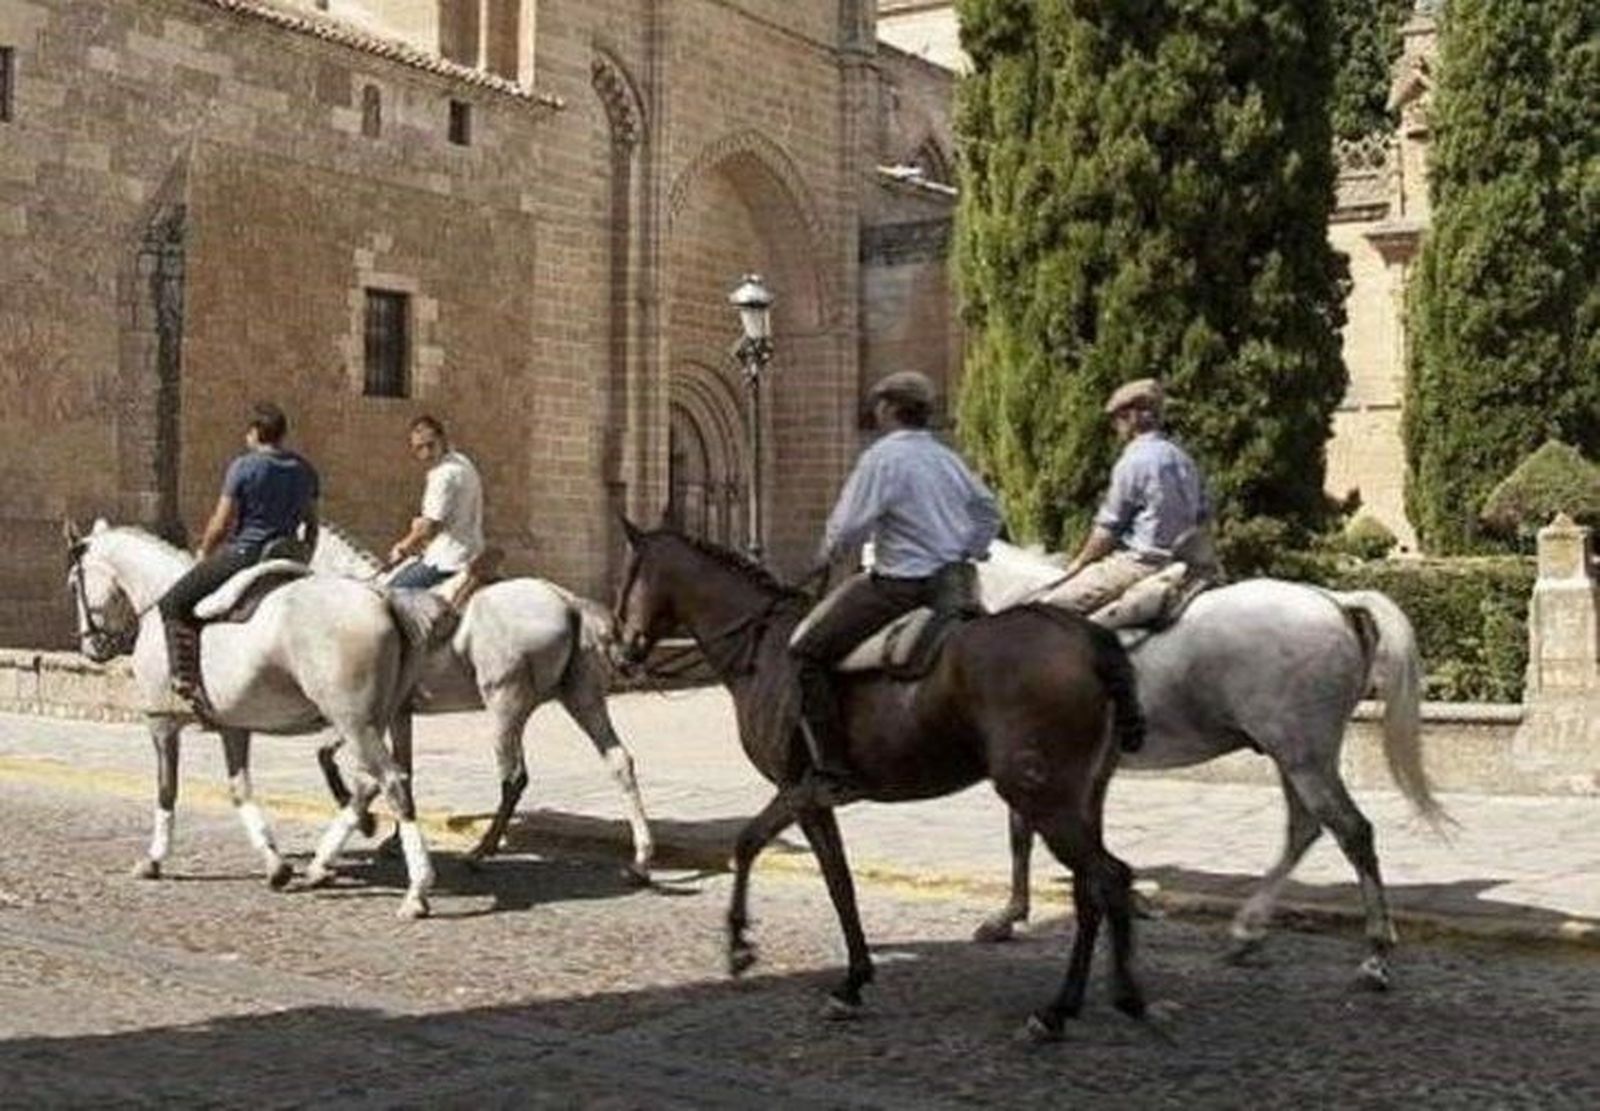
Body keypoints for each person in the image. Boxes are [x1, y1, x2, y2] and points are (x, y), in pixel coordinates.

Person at [789, 371, 1002, 792]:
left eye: (879, 406)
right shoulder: (946, 458)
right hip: (955, 585)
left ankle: (831, 770)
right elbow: (988, 510)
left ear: (888, 409)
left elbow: (848, 526)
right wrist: (971, 548)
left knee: (804, 654)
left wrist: (824, 555)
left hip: (898, 587)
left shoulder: (883, 458)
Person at [157, 401, 320, 714]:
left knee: (173, 603)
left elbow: (221, 523)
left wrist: (204, 552)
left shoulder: (244, 467)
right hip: (289, 554)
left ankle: (185, 679)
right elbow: (312, 525)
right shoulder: (305, 470)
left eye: (248, 432)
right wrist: (305, 558)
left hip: (248, 553)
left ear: (256, 433)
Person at [1049, 378, 1211, 614]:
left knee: (1051, 609)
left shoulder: (1133, 460)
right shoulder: (1183, 458)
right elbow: (1205, 515)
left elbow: (1108, 529)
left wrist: (1080, 563)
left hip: (1144, 564)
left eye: (1118, 418)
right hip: (1189, 565)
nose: (1116, 426)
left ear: (1132, 417)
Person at [386, 415, 486, 591]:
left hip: (448, 558)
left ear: (442, 440)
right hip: (474, 551)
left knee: (392, 591)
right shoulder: (462, 461)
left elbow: (429, 526)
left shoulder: (442, 475)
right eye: (419, 448)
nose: (425, 452)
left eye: (430, 445)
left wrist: (402, 547)